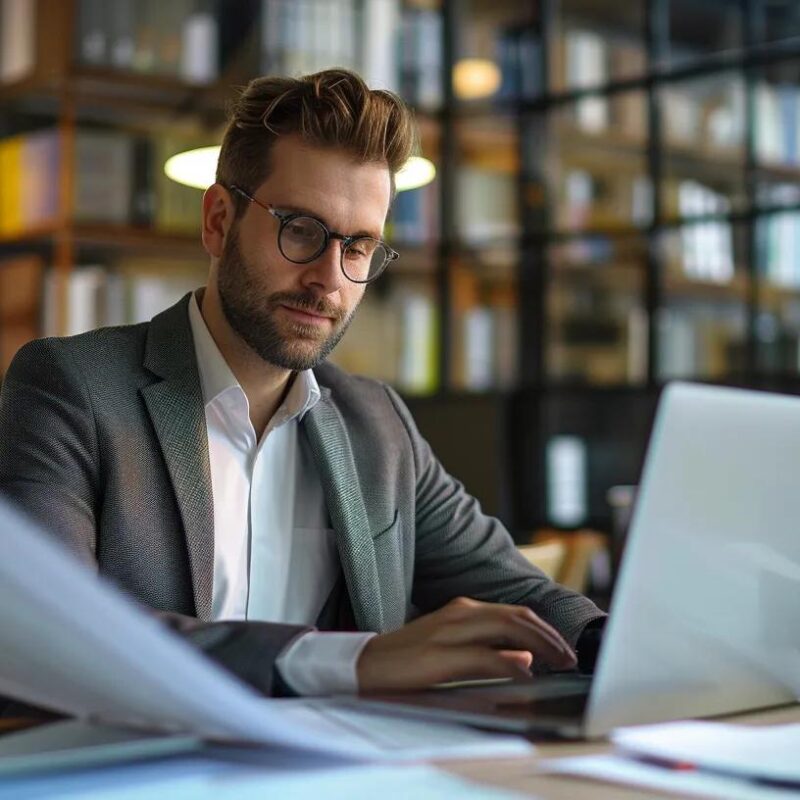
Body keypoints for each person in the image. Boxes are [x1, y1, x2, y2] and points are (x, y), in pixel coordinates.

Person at [0, 69, 605, 701]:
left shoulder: (378, 424)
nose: (329, 279)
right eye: (300, 230)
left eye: (359, 246)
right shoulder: (72, 387)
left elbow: (518, 591)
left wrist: (613, 643)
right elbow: (47, 630)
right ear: (217, 220)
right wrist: (352, 663)